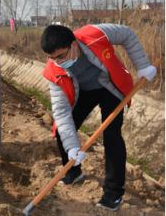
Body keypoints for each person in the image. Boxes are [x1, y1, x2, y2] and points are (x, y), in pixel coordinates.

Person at [40, 23, 156, 211]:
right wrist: (72, 148)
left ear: (74, 44)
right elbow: (61, 113)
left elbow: (127, 34)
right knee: (62, 131)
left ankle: (113, 193)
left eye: (61, 56)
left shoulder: (96, 34)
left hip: (110, 85)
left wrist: (142, 66)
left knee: (111, 135)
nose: (58, 62)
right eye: (52, 58)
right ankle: (73, 171)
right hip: (83, 91)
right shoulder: (54, 71)